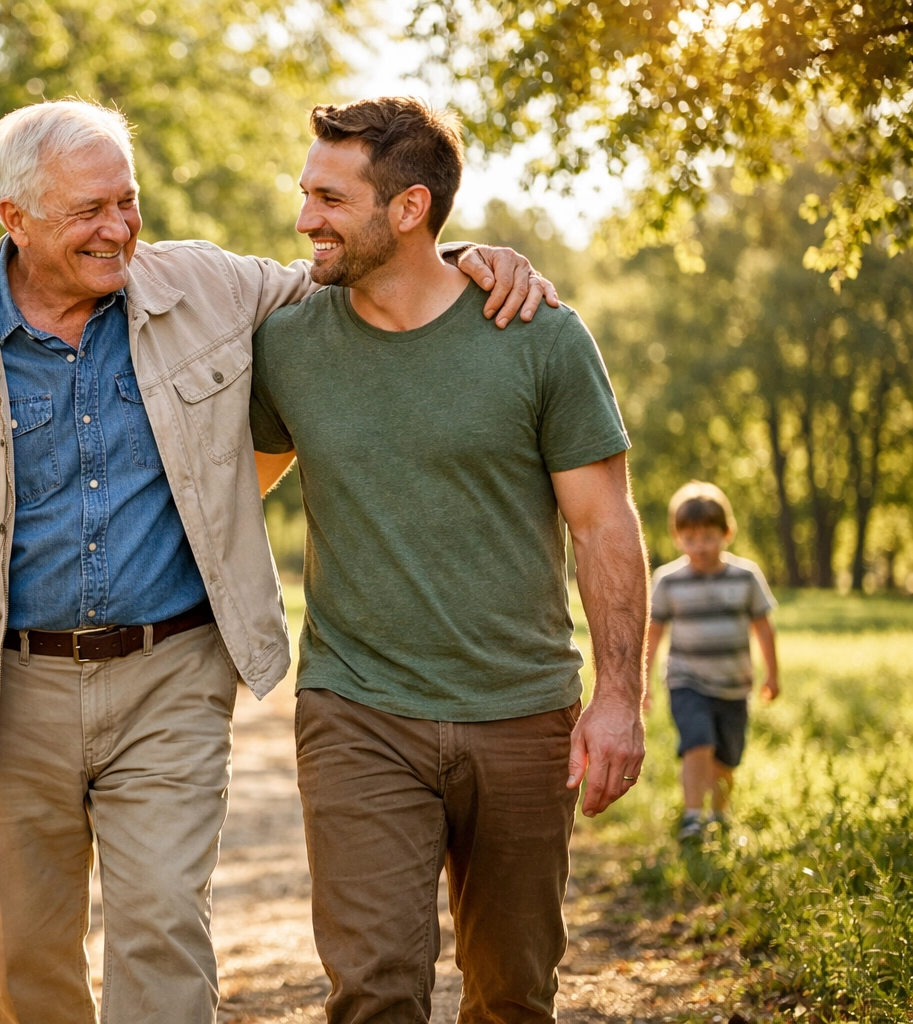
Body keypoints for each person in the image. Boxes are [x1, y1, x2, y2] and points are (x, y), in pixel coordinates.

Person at [0, 99, 556, 1024]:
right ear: (13, 219)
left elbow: (363, 273)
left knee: (163, 931)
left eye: (126, 201)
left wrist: (465, 259)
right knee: (26, 960)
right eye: (87, 212)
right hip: (0, 685)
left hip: (170, 675)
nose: (118, 230)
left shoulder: (209, 289)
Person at [248, 97, 648, 1023]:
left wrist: (621, 697)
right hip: (357, 710)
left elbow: (605, 526)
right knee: (375, 987)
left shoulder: (540, 336)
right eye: (306, 193)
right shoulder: (290, 343)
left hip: (522, 711)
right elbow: (235, 489)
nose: (306, 219)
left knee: (512, 992)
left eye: (329, 199)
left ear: (409, 207)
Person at [646, 481, 779, 841]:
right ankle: (692, 817)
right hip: (686, 680)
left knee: (726, 759)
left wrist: (773, 675)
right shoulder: (668, 581)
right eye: (690, 539)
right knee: (697, 743)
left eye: (708, 536)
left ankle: (718, 816)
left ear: (727, 533)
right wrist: (642, 683)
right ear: (677, 537)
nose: (700, 546)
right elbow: (653, 632)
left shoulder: (746, 576)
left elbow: (764, 627)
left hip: (735, 683)